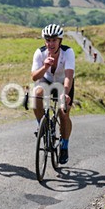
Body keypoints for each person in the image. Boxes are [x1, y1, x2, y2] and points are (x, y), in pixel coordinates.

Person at [31, 23, 75, 165]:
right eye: (48, 40)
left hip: (64, 83)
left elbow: (69, 75)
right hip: (47, 80)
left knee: (63, 113)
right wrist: (45, 66)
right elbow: (34, 77)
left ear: (60, 41)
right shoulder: (40, 53)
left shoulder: (68, 52)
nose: (51, 43)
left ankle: (64, 145)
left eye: (54, 40)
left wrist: (65, 93)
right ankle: (42, 125)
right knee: (36, 94)